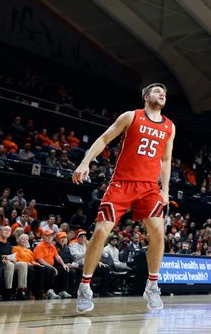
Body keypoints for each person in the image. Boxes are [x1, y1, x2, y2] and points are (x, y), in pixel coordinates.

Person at [72, 82, 175, 313]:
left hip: (149, 188)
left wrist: (165, 189)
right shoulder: (131, 116)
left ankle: (152, 285)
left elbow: (166, 160)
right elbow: (104, 139)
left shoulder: (170, 127)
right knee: (100, 231)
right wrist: (85, 162)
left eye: (165, 93)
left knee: (159, 231)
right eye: (157, 91)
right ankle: (85, 286)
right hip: (121, 184)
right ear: (146, 97)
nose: (162, 94)